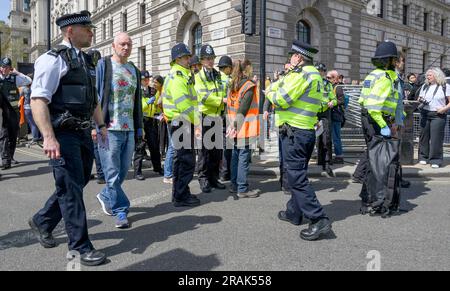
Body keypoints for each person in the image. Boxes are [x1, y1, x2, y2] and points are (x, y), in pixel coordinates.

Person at [28, 10, 107, 266]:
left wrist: (101, 124)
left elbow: (92, 98)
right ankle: (80, 247)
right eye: (88, 28)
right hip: (63, 134)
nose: (92, 32)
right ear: (70, 31)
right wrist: (48, 137)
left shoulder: (85, 61)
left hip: (83, 132)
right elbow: (38, 99)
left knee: (78, 180)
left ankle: (42, 220)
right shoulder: (52, 60)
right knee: (71, 189)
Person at [266, 40, 332, 241]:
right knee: (297, 173)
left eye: (291, 56)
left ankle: (318, 219)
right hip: (304, 131)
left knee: (296, 176)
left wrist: (269, 91)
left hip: (295, 131)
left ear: (298, 57)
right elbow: (320, 105)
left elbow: (280, 98)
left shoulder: (302, 74)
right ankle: (294, 212)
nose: (290, 59)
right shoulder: (314, 75)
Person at [95, 32, 143, 229]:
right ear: (113, 46)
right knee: (112, 172)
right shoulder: (104, 66)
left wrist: (139, 127)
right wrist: (96, 125)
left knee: (123, 171)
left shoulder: (134, 70)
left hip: (129, 128)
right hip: (109, 128)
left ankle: (106, 194)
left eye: (129, 44)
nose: (126, 47)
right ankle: (121, 210)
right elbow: (95, 96)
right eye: (122, 44)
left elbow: (136, 101)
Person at [355, 40, 403, 215]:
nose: (396, 63)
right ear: (390, 60)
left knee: (373, 160)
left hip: (369, 120)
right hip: (377, 120)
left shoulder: (373, 74)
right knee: (378, 163)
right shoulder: (384, 78)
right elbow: (374, 107)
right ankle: (374, 199)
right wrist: (385, 125)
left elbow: (364, 100)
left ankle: (368, 199)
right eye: (394, 60)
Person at [163, 43, 200, 207]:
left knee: (181, 159)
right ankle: (181, 195)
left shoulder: (183, 74)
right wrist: (197, 123)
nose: (189, 59)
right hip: (182, 121)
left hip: (180, 122)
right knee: (186, 160)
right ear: (178, 59)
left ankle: (179, 193)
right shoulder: (178, 76)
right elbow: (184, 105)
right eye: (186, 57)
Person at [195, 44, 227, 193]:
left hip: (217, 116)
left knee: (216, 151)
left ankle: (214, 178)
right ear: (201, 60)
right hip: (205, 115)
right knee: (204, 150)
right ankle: (203, 179)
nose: (210, 61)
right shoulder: (198, 76)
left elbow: (223, 90)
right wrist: (220, 100)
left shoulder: (218, 75)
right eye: (207, 59)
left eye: (212, 58)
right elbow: (203, 96)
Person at [227, 59, 260, 198]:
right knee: (243, 158)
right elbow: (244, 108)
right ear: (246, 69)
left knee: (235, 157)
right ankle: (242, 188)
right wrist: (235, 126)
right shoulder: (248, 85)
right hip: (244, 126)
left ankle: (234, 185)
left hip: (234, 125)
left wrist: (231, 125)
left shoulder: (232, 85)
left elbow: (229, 107)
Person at [0, 57, 32, 169]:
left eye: (7, 67)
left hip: (13, 112)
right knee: (3, 135)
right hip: (2, 112)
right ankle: (5, 160)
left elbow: (29, 81)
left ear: (10, 68)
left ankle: (10, 157)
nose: (5, 69)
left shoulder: (15, 78)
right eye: (3, 67)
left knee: (13, 136)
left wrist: (17, 72)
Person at [417, 67, 450, 168]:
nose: (427, 77)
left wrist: (444, 109)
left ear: (437, 76)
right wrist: (420, 99)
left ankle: (435, 160)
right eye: (427, 75)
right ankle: (423, 157)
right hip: (425, 113)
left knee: (436, 138)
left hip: (438, 115)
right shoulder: (425, 86)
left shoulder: (445, 86)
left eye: (430, 75)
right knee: (423, 136)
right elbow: (419, 98)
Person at [137, 71, 164, 179]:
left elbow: (156, 104)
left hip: (152, 120)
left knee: (154, 146)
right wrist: (147, 103)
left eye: (148, 79)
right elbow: (138, 107)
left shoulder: (152, 90)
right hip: (142, 120)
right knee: (140, 147)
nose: (147, 81)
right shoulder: (137, 91)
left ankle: (157, 167)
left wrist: (159, 110)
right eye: (144, 79)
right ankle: (138, 172)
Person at [315, 63, 337, 177]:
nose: (320, 73)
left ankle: (327, 163)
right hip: (312, 113)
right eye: (318, 71)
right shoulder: (311, 82)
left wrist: (332, 102)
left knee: (326, 139)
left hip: (324, 113)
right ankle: (318, 161)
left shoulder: (327, 84)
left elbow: (334, 99)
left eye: (322, 71)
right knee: (311, 139)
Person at [217, 55, 233, 182]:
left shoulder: (216, 79)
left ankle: (220, 172)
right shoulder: (228, 80)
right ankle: (225, 172)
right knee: (226, 145)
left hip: (216, 114)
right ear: (227, 68)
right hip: (226, 114)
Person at [327, 70, 345, 164]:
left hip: (336, 116)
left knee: (336, 137)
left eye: (329, 77)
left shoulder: (337, 88)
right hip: (331, 115)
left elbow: (342, 100)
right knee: (330, 137)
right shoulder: (330, 87)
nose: (327, 79)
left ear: (335, 79)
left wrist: (333, 103)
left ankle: (339, 156)